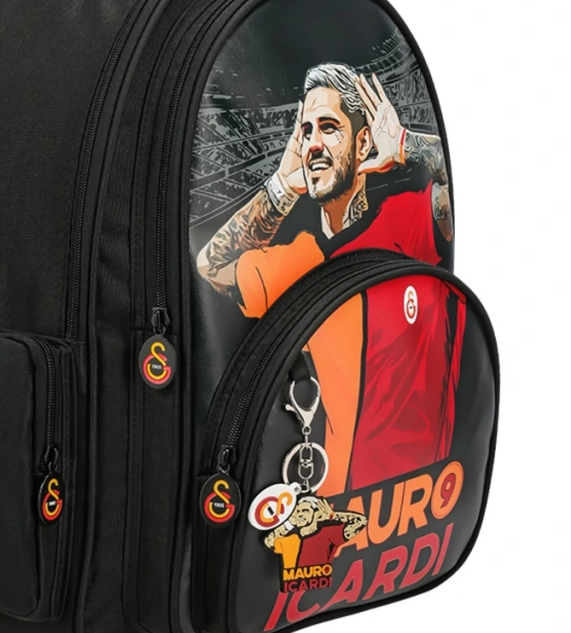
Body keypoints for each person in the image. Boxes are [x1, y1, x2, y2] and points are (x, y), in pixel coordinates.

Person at [196, 63, 461, 493]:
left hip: (432, 496)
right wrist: (282, 186)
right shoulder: (295, 259)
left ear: (363, 142)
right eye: (306, 131)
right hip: (341, 515)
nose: (313, 143)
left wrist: (404, 145)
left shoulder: (408, 217)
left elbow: (447, 180)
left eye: (329, 127)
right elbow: (209, 266)